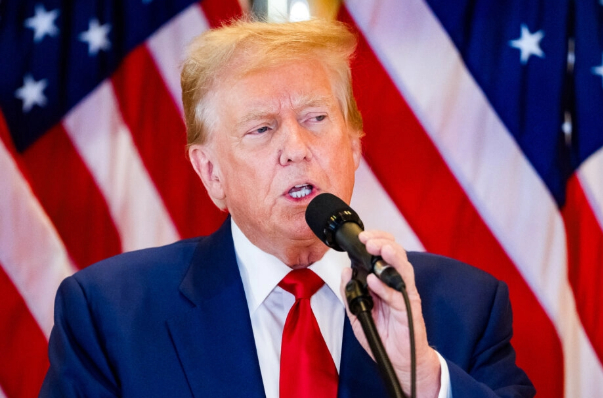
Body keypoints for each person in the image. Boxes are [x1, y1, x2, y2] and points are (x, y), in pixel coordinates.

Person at [39, 18, 535, 398]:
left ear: (355, 147)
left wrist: (425, 379)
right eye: (262, 128)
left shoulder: (464, 306)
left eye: (316, 118)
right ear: (211, 173)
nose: (297, 148)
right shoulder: (109, 316)